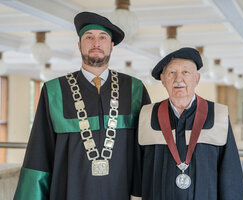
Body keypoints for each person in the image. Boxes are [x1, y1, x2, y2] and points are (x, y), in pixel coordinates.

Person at [14, 11, 150, 200]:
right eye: (89, 37)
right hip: (68, 191)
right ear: (79, 45)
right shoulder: (55, 91)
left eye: (103, 37)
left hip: (120, 191)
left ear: (111, 46)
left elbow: (145, 152)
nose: (96, 43)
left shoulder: (134, 89)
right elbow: (39, 152)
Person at [132, 47, 243, 200]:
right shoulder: (147, 116)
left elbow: (230, 174)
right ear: (163, 80)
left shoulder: (217, 115)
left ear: (197, 79)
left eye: (186, 72)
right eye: (171, 73)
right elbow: (137, 171)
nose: (178, 79)